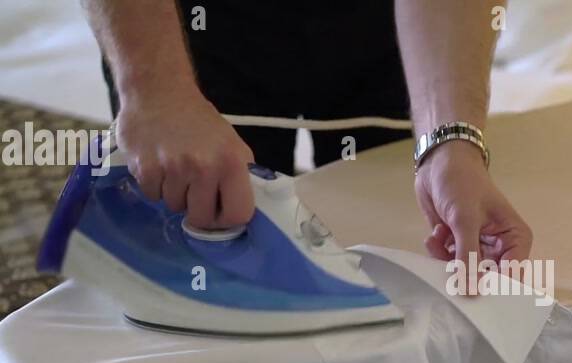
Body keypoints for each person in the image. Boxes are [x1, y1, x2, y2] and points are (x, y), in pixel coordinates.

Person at [82, 0, 532, 267]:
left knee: (413, 257)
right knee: (206, 250)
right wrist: (155, 94)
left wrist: (448, 141)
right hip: (193, 27)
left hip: (392, 28)